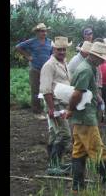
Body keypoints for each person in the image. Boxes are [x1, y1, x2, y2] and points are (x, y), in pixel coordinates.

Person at [65, 42, 106, 193]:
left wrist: (97, 98)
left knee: (79, 150)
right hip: (85, 117)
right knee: (99, 150)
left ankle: (77, 185)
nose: (104, 61)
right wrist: (70, 110)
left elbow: (87, 89)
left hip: (83, 116)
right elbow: (77, 93)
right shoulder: (86, 70)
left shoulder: (89, 67)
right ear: (95, 56)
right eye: (102, 58)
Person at [39, 36, 72, 175]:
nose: (62, 52)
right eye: (59, 49)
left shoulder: (64, 62)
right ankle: (54, 166)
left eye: (64, 49)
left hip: (63, 103)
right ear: (54, 49)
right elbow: (46, 90)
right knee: (65, 135)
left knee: (54, 134)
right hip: (56, 104)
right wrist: (52, 108)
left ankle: (55, 163)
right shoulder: (49, 65)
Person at [16, 23, 52, 120]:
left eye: (45, 31)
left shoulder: (49, 42)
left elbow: (52, 54)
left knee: (47, 90)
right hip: (35, 69)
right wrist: (28, 56)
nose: (44, 33)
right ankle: (37, 112)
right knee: (35, 91)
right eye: (41, 31)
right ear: (37, 32)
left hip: (46, 70)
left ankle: (48, 110)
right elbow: (18, 47)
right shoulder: (32, 41)